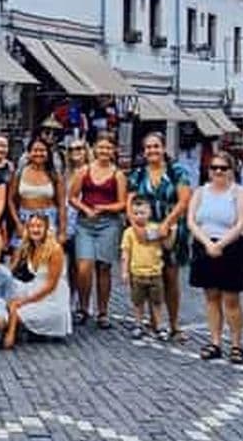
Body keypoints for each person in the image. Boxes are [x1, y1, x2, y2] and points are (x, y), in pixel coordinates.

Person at [187, 150, 243, 363]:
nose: (218, 172)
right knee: (211, 297)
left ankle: (236, 344)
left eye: (223, 168)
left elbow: (242, 222)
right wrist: (207, 243)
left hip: (232, 248)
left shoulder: (239, 192)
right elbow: (191, 221)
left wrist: (221, 244)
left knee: (231, 299)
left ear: (231, 171)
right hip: (204, 245)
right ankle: (215, 341)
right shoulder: (200, 192)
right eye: (214, 168)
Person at [126, 133, 192, 341]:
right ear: (144, 151)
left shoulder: (176, 171)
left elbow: (184, 200)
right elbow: (130, 202)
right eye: (148, 147)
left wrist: (167, 223)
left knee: (170, 277)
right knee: (143, 274)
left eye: (156, 146)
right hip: (144, 230)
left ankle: (173, 324)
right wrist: (135, 226)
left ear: (163, 148)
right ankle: (150, 321)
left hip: (170, 230)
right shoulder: (137, 174)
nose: (152, 151)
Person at [68, 132, 126, 329]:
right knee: (84, 267)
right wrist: (85, 209)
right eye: (101, 147)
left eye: (108, 148)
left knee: (104, 267)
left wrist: (104, 208)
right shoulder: (84, 171)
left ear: (113, 151)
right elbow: (73, 197)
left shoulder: (117, 174)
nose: (104, 151)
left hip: (108, 223)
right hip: (86, 223)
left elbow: (122, 203)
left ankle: (102, 311)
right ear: (94, 149)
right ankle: (83, 307)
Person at [4, 212, 72, 347]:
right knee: (6, 294)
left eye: (39, 226)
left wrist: (23, 301)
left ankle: (12, 333)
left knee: (16, 311)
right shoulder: (29, 246)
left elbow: (50, 286)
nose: (35, 229)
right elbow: (10, 271)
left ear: (46, 228)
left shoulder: (55, 250)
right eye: (32, 226)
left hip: (52, 297)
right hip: (34, 287)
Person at [121, 196, 170, 339]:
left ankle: (159, 325)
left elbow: (166, 243)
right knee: (138, 301)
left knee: (157, 301)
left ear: (149, 213)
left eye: (142, 213)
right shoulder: (129, 232)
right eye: (135, 213)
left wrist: (168, 230)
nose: (139, 216)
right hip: (137, 273)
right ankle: (138, 323)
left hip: (155, 272)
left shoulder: (155, 228)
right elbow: (125, 253)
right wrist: (124, 271)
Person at [8, 136, 66, 249]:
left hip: (49, 218)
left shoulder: (55, 175)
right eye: (35, 150)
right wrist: (17, 223)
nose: (38, 153)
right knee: (20, 256)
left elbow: (62, 205)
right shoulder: (19, 173)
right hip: (25, 218)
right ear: (29, 153)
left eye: (42, 150)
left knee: (46, 256)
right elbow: (10, 200)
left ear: (48, 153)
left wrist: (62, 231)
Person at [64, 138, 90, 301]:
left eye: (79, 148)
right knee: (69, 266)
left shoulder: (91, 171)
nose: (76, 152)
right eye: (72, 149)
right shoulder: (66, 173)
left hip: (85, 223)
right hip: (67, 223)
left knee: (84, 267)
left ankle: (84, 303)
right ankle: (70, 300)